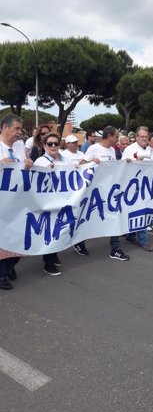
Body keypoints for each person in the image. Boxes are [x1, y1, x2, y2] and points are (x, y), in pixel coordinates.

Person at [83, 125, 130, 261]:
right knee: (89, 218)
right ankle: (79, 241)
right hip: (94, 192)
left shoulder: (112, 150)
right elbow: (81, 165)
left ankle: (115, 249)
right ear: (109, 136)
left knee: (115, 215)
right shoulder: (93, 148)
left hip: (109, 191)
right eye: (116, 137)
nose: (117, 140)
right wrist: (91, 162)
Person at [0, 114, 33, 290]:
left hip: (18, 202)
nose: (20, 132)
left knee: (19, 238)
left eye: (20, 129)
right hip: (1, 204)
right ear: (5, 127)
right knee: (2, 239)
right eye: (17, 129)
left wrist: (28, 163)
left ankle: (11, 265)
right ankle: (2, 275)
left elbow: (24, 166)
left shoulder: (20, 146)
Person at [34, 132, 65, 275]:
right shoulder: (41, 161)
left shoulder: (64, 160)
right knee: (50, 233)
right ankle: (48, 263)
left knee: (59, 231)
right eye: (50, 144)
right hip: (48, 204)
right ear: (44, 145)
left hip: (63, 202)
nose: (53, 146)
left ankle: (54, 255)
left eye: (56, 143)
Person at [121, 126, 153, 251]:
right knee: (140, 213)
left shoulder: (150, 149)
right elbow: (122, 166)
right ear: (136, 137)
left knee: (139, 213)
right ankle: (143, 241)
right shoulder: (129, 149)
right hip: (132, 187)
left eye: (146, 137)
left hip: (145, 186)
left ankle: (131, 236)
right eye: (142, 136)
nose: (144, 139)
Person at [62, 135, 89, 256]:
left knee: (81, 215)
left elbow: (88, 165)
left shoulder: (81, 153)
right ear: (67, 144)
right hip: (69, 191)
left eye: (76, 142)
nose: (75, 144)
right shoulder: (63, 154)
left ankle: (79, 241)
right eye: (72, 142)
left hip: (82, 189)